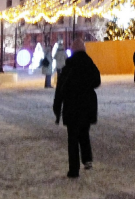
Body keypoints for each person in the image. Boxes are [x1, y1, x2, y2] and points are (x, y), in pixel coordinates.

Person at [53, 38, 101, 178]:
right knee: (84, 133)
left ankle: (74, 170)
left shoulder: (68, 68)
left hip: (72, 108)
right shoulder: (90, 64)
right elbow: (97, 81)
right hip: (87, 107)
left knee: (72, 138)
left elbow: (60, 91)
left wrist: (57, 110)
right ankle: (87, 159)